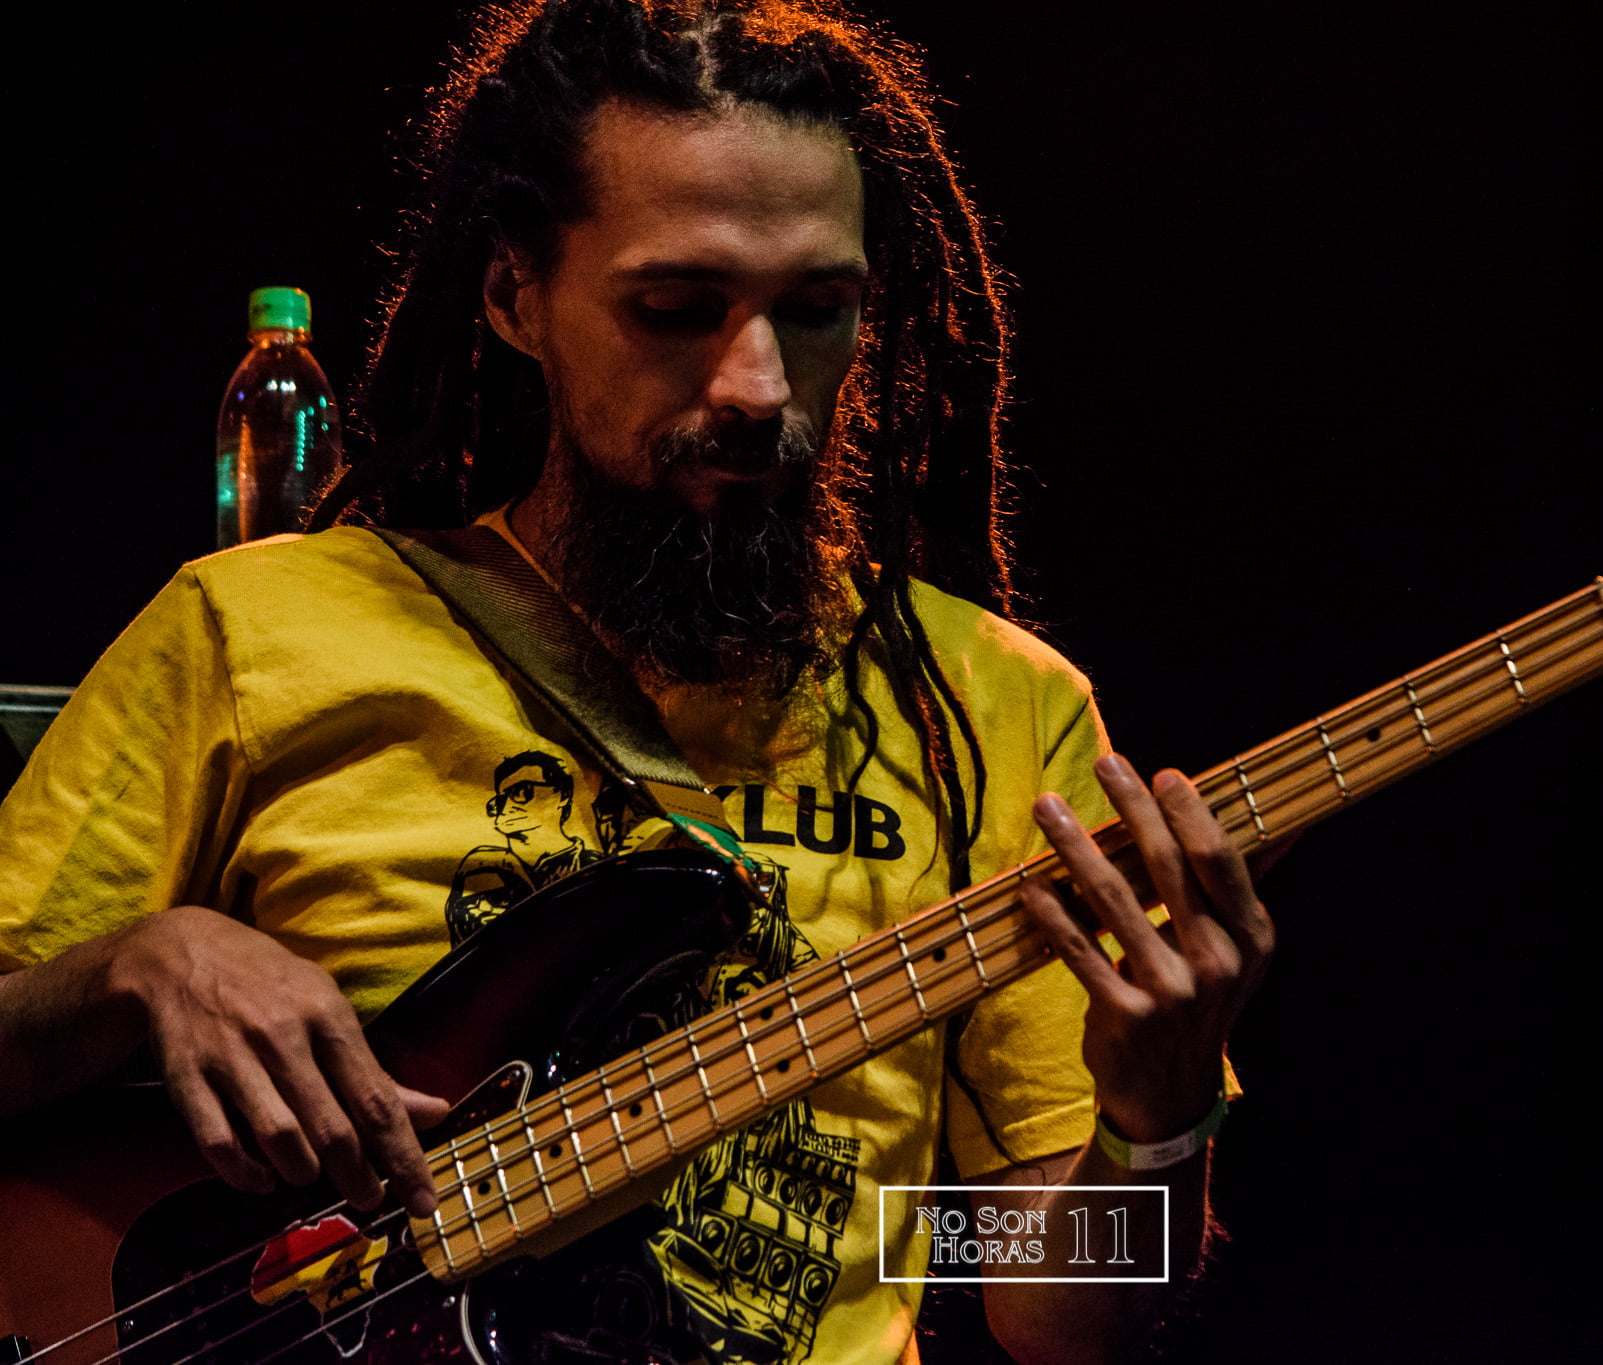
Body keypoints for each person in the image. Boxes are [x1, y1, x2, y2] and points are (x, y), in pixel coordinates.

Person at [0, 3, 1274, 1363]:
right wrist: (139, 966)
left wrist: (1156, 1124)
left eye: (819, 311)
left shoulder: (994, 709)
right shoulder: (252, 632)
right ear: (514, 297)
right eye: (676, 309)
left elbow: (1034, 1299)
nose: (760, 385)